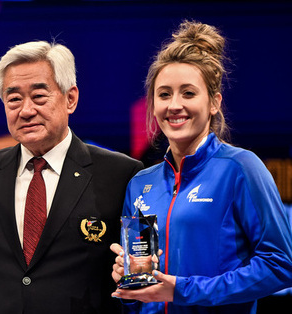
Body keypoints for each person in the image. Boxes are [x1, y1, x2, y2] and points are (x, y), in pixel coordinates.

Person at [110, 21, 292, 313]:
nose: (174, 105)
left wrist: (182, 290)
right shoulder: (140, 183)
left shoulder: (241, 168)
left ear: (214, 102)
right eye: (164, 94)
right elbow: (143, 294)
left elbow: (281, 264)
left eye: (189, 93)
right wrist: (131, 286)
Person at [0, 40, 144, 314]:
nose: (26, 110)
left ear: (70, 98)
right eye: (14, 99)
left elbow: (135, 280)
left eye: (39, 96)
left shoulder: (122, 175)